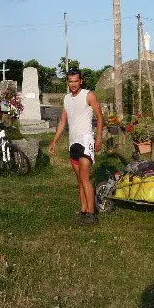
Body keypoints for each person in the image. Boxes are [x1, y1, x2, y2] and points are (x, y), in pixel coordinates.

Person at [49, 68, 103, 226]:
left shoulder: (89, 95)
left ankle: (92, 215)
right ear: (68, 82)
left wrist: (98, 138)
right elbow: (62, 122)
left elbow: (100, 117)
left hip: (86, 142)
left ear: (81, 81)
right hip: (73, 143)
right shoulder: (66, 99)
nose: (73, 84)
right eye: (70, 81)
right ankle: (83, 210)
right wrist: (54, 142)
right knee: (80, 180)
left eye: (76, 81)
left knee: (85, 179)